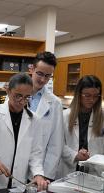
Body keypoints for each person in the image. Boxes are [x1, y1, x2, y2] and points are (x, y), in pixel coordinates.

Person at [0, 73, 49, 190]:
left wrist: (38, 174)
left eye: (27, 97)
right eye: (18, 96)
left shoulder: (34, 120)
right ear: (8, 91)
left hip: (18, 182)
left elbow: (36, 153)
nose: (22, 101)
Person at [56, 75, 104, 178]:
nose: (92, 100)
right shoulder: (64, 116)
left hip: (96, 172)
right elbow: (58, 144)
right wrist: (75, 155)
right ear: (79, 94)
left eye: (96, 96)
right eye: (87, 95)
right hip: (69, 169)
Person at [28, 51, 64, 180]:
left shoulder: (55, 103)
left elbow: (56, 143)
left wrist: (46, 175)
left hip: (39, 170)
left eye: (48, 76)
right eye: (40, 74)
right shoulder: (14, 95)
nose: (43, 79)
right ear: (31, 69)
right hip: (13, 164)